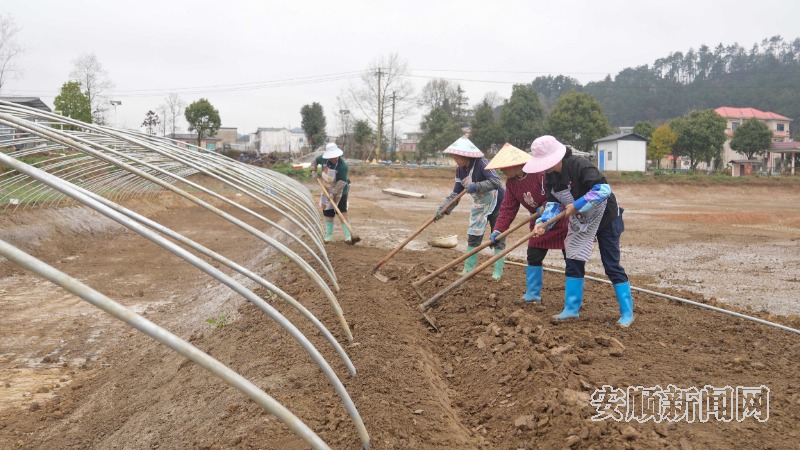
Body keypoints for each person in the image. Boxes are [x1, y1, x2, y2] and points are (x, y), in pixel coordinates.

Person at [526, 135, 634, 327]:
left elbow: (603, 190)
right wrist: (543, 223)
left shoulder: (579, 165)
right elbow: (553, 204)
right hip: (581, 219)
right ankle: (571, 309)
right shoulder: (550, 177)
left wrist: (576, 205)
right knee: (573, 259)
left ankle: (627, 313)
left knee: (611, 264)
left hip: (606, 217)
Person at [486, 143, 568, 303]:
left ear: (515, 165)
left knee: (570, 258)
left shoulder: (540, 173)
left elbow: (557, 193)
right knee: (534, 255)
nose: (501, 171)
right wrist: (498, 230)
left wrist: (545, 206)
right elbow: (508, 208)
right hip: (538, 222)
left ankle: (572, 301)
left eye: (503, 167)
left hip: (560, 218)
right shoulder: (511, 183)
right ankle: (532, 294)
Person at [434, 136, 506, 280]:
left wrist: (476, 186)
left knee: (498, 236)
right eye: (453, 156)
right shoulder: (460, 171)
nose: (455, 159)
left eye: (457, 156)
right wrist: (443, 209)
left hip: (497, 203)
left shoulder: (482, 164)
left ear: (466, 155)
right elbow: (456, 193)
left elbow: (496, 182)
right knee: (474, 234)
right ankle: (468, 269)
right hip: (480, 204)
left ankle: (497, 273)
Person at [311, 143, 352, 243]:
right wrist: (313, 170)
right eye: (332, 157)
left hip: (340, 191)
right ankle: (329, 236)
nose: (335, 159)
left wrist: (333, 193)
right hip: (326, 188)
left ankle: (348, 236)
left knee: (342, 211)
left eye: (336, 156)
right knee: (328, 212)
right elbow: (314, 161)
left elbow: (341, 182)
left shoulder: (343, 166)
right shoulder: (322, 159)